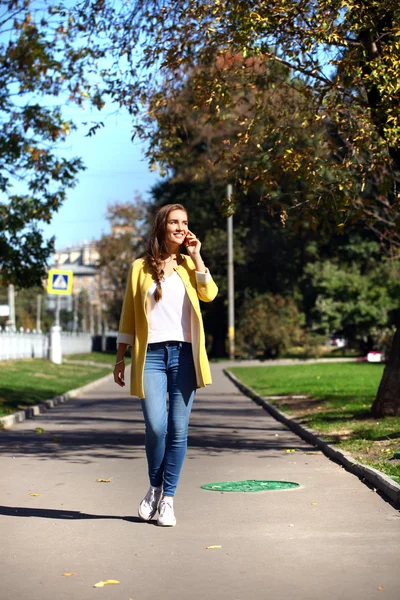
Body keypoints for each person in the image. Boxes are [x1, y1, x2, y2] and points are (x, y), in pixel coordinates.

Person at [113, 204, 218, 527]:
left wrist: (197, 255)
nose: (180, 227)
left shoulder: (189, 265)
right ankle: (154, 488)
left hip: (184, 355)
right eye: (174, 222)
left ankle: (168, 499)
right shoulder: (139, 268)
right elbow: (129, 315)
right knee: (156, 427)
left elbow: (210, 294)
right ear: (162, 226)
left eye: (185, 222)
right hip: (151, 356)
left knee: (179, 429)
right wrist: (120, 355)